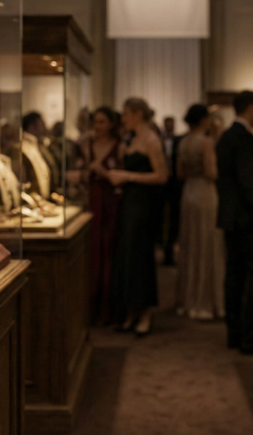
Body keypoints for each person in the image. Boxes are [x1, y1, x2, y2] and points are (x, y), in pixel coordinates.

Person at [217, 90, 253, 355]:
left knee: (234, 276)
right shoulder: (243, 137)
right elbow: (249, 181)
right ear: (250, 108)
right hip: (247, 218)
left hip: (231, 217)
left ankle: (235, 333)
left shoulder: (227, 136)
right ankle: (250, 336)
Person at [108, 98, 168, 336]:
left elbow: (162, 176)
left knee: (140, 256)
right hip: (129, 202)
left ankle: (145, 313)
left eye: (125, 114)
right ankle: (131, 311)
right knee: (127, 256)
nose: (122, 119)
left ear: (137, 114)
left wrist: (127, 176)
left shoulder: (151, 140)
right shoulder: (131, 138)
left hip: (143, 204)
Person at [177, 104, 225, 320]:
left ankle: (188, 299)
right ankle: (206, 301)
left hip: (189, 192)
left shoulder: (184, 142)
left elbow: (179, 172)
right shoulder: (206, 142)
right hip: (205, 193)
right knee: (207, 243)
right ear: (204, 120)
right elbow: (211, 172)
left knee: (190, 243)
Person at [83, 107, 122, 324]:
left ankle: (107, 309)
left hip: (110, 204)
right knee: (93, 254)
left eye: (102, 122)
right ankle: (91, 308)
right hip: (92, 202)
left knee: (108, 253)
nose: (98, 127)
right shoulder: (87, 146)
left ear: (111, 125)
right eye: (95, 122)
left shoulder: (119, 148)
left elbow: (121, 178)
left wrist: (103, 172)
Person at [161, 116, 183, 266]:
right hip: (160, 185)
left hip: (175, 184)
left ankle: (169, 249)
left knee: (175, 218)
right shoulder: (158, 140)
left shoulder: (179, 141)